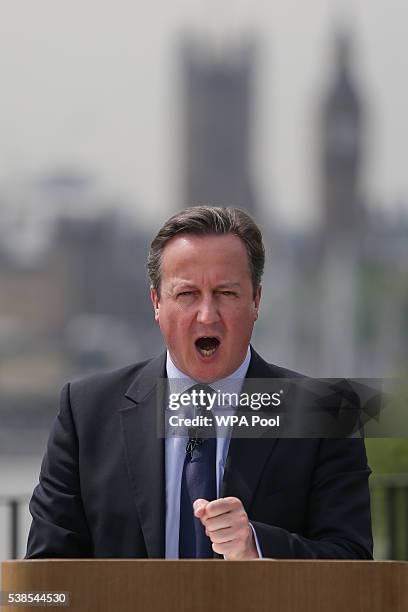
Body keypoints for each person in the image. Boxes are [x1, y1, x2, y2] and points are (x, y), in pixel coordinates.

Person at [26, 206, 373, 560]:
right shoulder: (85, 413)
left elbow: (353, 565)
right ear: (157, 303)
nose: (208, 316)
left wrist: (258, 547)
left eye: (226, 293)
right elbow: (45, 577)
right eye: (187, 294)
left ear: (256, 300)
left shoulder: (328, 412)